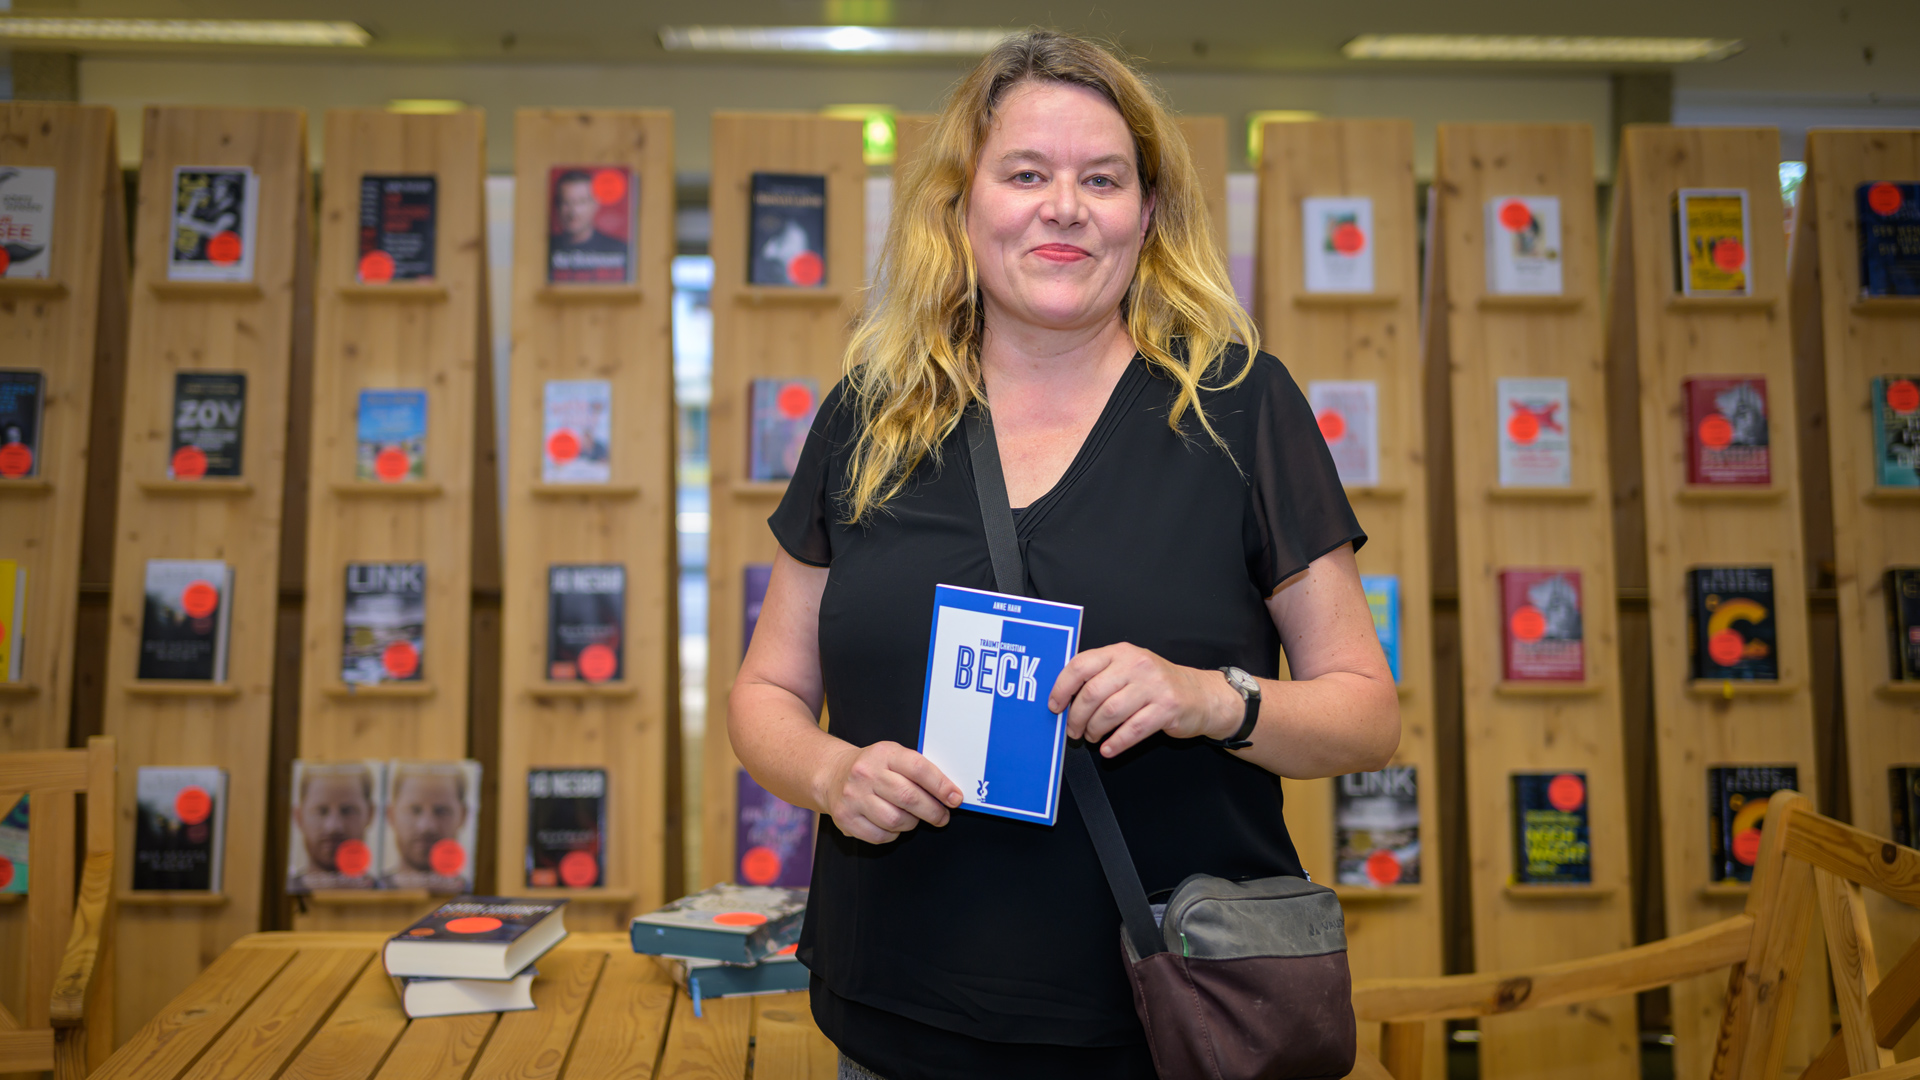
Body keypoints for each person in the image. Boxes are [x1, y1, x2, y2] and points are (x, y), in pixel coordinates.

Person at [729, 30, 1401, 1080]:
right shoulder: (871, 416)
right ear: (959, 207)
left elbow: (1366, 714)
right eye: (1026, 173)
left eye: (1103, 178)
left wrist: (1209, 699)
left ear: (1147, 213)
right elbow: (766, 689)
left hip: (1160, 1024)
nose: (1065, 206)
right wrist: (830, 772)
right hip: (896, 1019)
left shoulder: (1240, 407)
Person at [380, 762, 472, 891]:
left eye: (441, 811)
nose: (426, 826)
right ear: (391, 814)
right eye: (414, 810)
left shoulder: (474, 893)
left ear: (463, 815)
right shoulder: (371, 889)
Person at [287, 762, 377, 893]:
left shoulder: (389, 893)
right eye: (321, 811)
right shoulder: (277, 896)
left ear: (370, 814)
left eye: (347, 811)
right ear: (298, 816)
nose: (333, 827)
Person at [548, 169, 629, 282]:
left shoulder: (620, 250)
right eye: (566, 202)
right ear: (557, 206)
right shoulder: (544, 249)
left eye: (581, 202)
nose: (574, 212)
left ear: (595, 204)